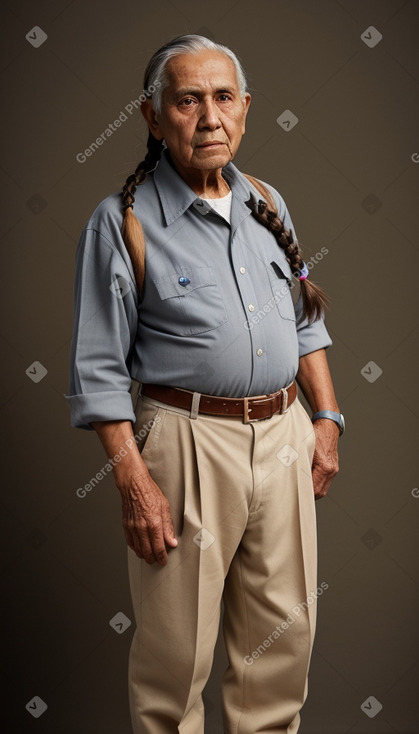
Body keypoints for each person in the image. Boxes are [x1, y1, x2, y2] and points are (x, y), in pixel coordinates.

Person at [66, 34, 343, 734]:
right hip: (186, 445)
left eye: (223, 98)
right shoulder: (122, 223)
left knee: (283, 646)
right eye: (187, 100)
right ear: (153, 117)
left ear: (245, 109)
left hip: (283, 437)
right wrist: (133, 482)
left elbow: (304, 324)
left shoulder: (267, 203)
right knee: (174, 657)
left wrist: (326, 419)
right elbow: (98, 371)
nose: (209, 116)